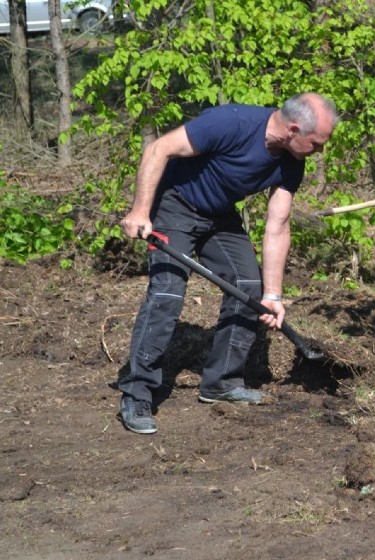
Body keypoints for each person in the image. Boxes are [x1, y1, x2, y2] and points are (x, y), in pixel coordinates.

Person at [117, 93, 339, 435]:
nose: (320, 151)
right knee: (168, 294)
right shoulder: (231, 122)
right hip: (174, 204)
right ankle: (137, 393)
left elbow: (277, 225)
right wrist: (140, 210)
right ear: (294, 129)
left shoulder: (292, 159)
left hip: (219, 216)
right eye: (317, 143)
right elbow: (158, 148)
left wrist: (275, 296)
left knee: (248, 287)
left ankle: (220, 382)